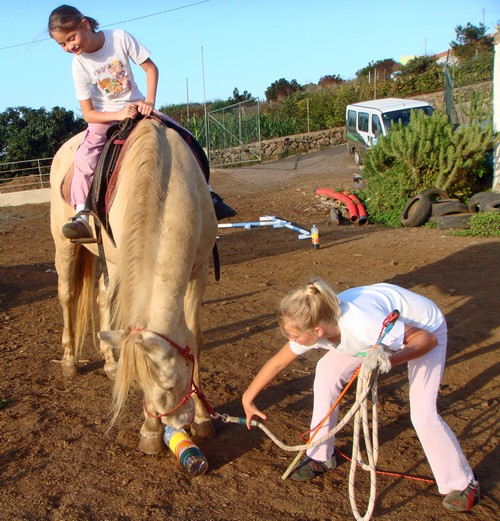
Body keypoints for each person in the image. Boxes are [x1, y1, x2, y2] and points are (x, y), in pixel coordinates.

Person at [242, 278, 480, 513]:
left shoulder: (362, 324)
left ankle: (463, 483)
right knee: (326, 372)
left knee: (422, 413)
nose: (291, 341)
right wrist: (247, 398)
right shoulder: (316, 324)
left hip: (424, 329)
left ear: (317, 330)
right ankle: (321, 455)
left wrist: (387, 359)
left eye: (293, 337)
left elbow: (427, 340)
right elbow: (277, 363)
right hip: (377, 333)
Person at [48, 5, 235, 241]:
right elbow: (89, 114)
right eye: (62, 44)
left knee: (184, 137)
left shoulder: (119, 38)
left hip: (139, 108)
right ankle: (81, 215)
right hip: (107, 116)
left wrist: (148, 101)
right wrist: (118, 115)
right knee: (85, 157)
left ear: (84, 24)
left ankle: (208, 196)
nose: (69, 47)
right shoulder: (79, 65)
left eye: (71, 38)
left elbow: (150, 68)